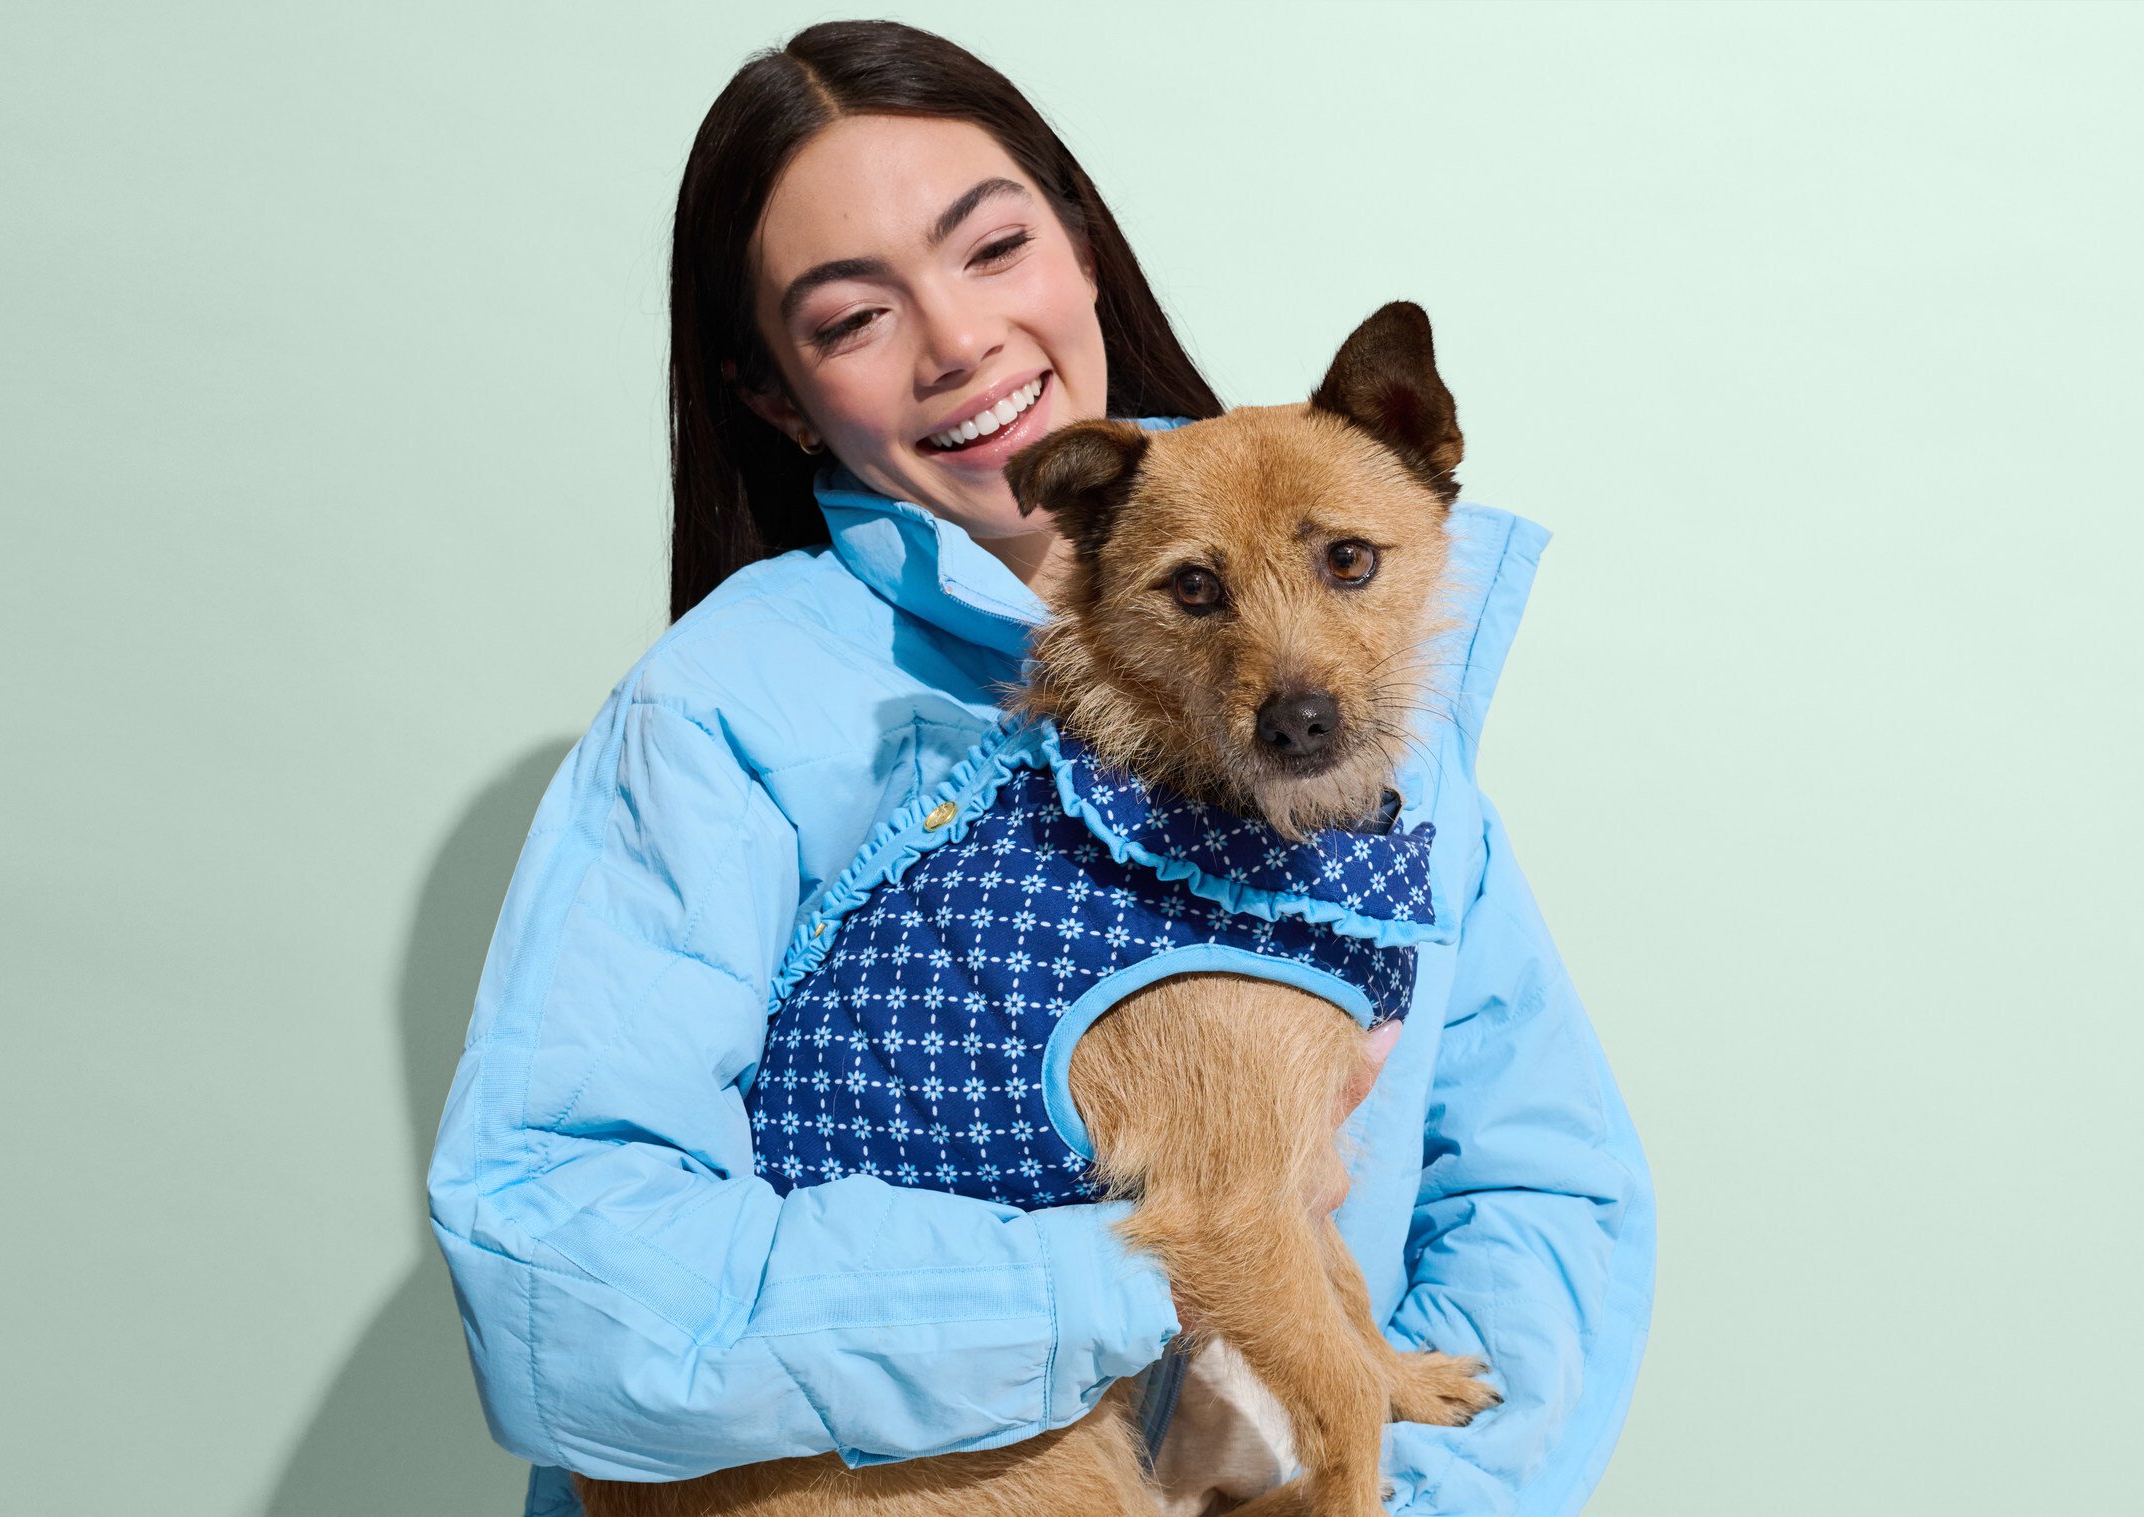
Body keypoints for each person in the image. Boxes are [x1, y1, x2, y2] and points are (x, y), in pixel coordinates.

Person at [425, 20, 1655, 1517]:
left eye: (991, 246)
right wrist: (1146, 1270)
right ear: (772, 392)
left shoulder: (1365, 719)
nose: (959, 342)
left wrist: (1413, 1489)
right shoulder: (727, 709)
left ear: (1081, 241)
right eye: (851, 316)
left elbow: (1538, 1188)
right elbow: (566, 1263)